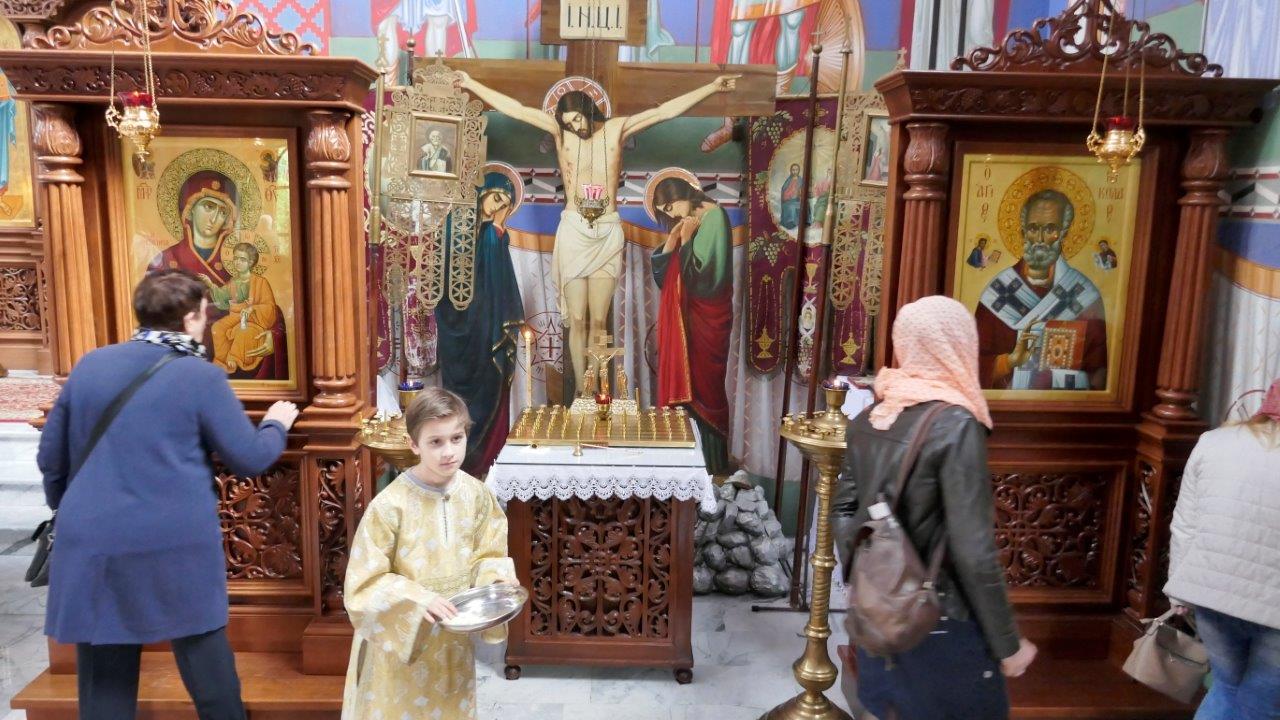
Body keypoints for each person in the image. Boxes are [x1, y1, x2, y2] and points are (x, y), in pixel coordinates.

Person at [37, 269, 299, 720]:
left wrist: (73, 507)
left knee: (105, 675)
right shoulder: (201, 377)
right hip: (173, 542)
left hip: (94, 539)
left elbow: (51, 457)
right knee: (205, 662)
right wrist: (276, 424)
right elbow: (249, 457)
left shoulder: (92, 364)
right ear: (192, 317)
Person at [457, 71, 737, 397]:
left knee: (599, 321)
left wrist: (711, 87)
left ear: (589, 109)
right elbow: (517, 109)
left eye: (577, 119)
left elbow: (663, 112)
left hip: (606, 231)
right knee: (576, 318)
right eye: (568, 123)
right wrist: (471, 83)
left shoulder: (617, 129)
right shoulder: (562, 135)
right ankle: (582, 393)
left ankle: (597, 389)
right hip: (574, 230)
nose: (575, 127)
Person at [833, 295, 1037, 720]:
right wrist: (1008, 645)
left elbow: (842, 510)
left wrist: (876, 579)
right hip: (941, 621)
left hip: (881, 617)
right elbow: (974, 553)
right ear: (958, 344)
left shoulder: (872, 417)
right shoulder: (956, 425)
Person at [342, 387, 517, 720]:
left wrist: (495, 583)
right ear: (413, 444)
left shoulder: (477, 495)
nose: (448, 452)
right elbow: (363, 585)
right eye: (435, 442)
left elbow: (489, 554)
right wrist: (417, 600)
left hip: (452, 643)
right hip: (400, 646)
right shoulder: (389, 506)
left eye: (456, 438)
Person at [1165, 378, 1280, 719]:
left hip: (1211, 596)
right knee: (1259, 705)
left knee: (1227, 688)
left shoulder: (1214, 442)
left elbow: (1185, 524)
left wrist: (1178, 590)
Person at [435, 171, 524, 476]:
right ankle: (458, 462)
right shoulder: (457, 224)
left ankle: (488, 462)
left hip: (488, 323)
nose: (497, 207)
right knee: (458, 397)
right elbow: (446, 272)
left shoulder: (495, 234)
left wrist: (496, 232)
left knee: (493, 380)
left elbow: (501, 282)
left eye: (505, 204)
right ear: (483, 192)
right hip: (461, 322)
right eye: (496, 198)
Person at [975, 188, 1107, 391]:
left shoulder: (1084, 295)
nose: (1040, 238)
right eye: (1033, 228)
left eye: (1050, 229)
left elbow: (1098, 373)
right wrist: (1009, 362)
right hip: (1004, 406)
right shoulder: (997, 293)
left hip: (1064, 407)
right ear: (1022, 232)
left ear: (1064, 233)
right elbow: (973, 365)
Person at [651, 176, 734, 476]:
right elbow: (665, 279)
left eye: (671, 206)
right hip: (686, 321)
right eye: (666, 211)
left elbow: (707, 279)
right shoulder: (687, 223)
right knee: (686, 392)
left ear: (683, 194)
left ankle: (710, 466)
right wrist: (673, 241)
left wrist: (686, 242)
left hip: (707, 321)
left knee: (706, 388)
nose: (672, 214)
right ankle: (683, 466)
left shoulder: (714, 217)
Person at [204, 242, 287, 379]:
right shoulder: (233, 282)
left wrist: (253, 309)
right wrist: (210, 285)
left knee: (244, 330)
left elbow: (269, 307)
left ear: (251, 262)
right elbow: (222, 299)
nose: (238, 262)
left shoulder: (261, 282)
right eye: (236, 258)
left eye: (242, 259)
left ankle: (234, 358)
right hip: (235, 316)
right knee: (217, 327)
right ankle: (222, 362)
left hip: (254, 319)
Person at [779, 163, 802, 230]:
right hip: (788, 200)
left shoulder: (801, 180)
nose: (795, 171)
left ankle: (802, 222)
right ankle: (790, 223)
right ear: (791, 171)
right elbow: (784, 190)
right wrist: (789, 195)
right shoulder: (789, 180)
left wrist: (799, 194)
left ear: (799, 170)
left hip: (798, 199)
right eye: (793, 170)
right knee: (791, 206)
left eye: (796, 170)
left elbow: (803, 190)